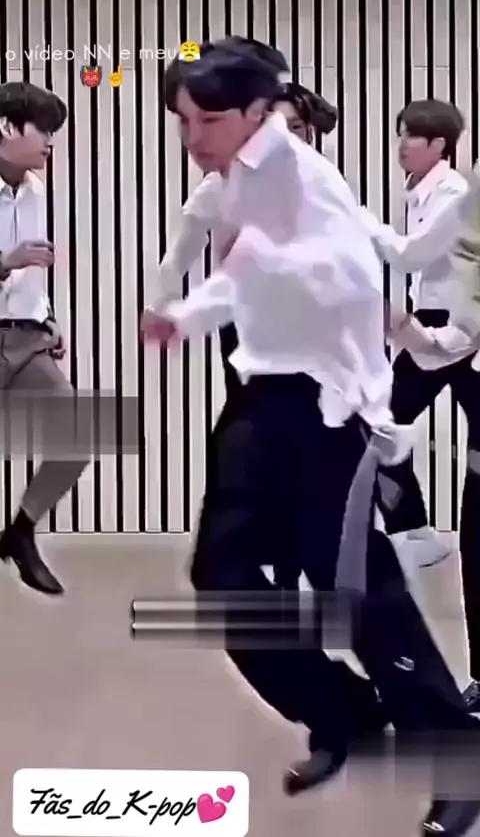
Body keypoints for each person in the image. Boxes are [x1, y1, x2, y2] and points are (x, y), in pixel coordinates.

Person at [142, 41, 480, 836]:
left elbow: (360, 290)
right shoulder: (233, 179)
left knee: (357, 591)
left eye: (208, 120)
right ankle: (345, 712)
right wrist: (183, 315)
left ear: (258, 111)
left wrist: (371, 411)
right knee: (224, 579)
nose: (192, 137)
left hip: (325, 408)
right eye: (183, 121)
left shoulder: (305, 180)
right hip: (261, 401)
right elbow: (246, 274)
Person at [153, 65, 338, 590]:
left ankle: (303, 558)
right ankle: (270, 560)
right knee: (259, 439)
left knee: (312, 441)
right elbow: (179, 252)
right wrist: (162, 305)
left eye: (296, 129)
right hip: (249, 328)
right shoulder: (221, 185)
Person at [358, 99, 479, 711]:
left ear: (440, 145)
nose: (402, 144)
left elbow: (414, 256)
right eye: (401, 134)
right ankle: (416, 529)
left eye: (412, 136)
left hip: (452, 326)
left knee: (378, 421)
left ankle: (415, 530)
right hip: (441, 323)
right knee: (379, 422)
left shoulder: (453, 192)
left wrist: (356, 222)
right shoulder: (424, 190)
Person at [0, 82, 89, 595]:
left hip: (26, 337)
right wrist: (4, 263)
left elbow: (33, 266)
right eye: (44, 131)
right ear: (7, 127)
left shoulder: (34, 190)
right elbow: (14, 260)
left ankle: (20, 532)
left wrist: (48, 317)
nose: (51, 143)